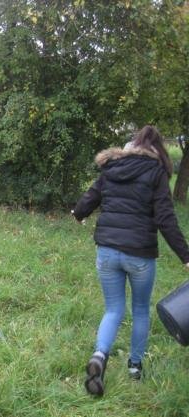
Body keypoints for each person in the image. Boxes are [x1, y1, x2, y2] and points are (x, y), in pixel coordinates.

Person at [72, 125, 189, 397]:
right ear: (157, 150)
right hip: (139, 255)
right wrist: (185, 256)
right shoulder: (156, 172)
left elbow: (91, 196)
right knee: (139, 310)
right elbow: (165, 219)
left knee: (113, 309)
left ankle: (100, 356)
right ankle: (135, 367)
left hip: (107, 252)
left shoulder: (111, 168)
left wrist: (78, 213)